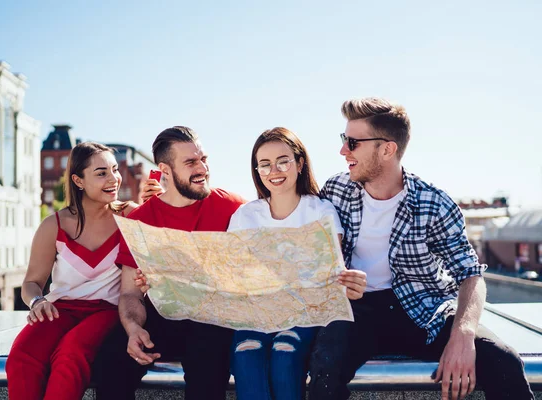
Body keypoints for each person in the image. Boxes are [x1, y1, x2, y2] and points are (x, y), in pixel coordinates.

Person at [308, 97, 534, 400]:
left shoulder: (434, 203)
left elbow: (470, 274)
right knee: (324, 367)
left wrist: (463, 334)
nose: (343, 151)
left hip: (422, 309)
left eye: (352, 142)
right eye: (343, 140)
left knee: (502, 360)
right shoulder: (336, 190)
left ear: (387, 149)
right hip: (356, 309)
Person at [94, 126, 245, 400]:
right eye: (190, 162)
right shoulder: (140, 220)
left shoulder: (233, 207)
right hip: (161, 316)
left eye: (204, 159)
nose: (203, 169)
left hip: (211, 318)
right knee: (110, 364)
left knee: (207, 370)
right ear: (165, 169)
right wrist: (133, 328)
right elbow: (130, 293)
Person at [227, 127, 367, 400]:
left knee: (285, 351)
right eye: (264, 165)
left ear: (300, 163)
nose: (274, 171)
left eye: (283, 161)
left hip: (304, 311)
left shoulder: (319, 210)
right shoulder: (245, 215)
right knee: (246, 351)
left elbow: (326, 267)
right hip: (257, 312)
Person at [5, 142, 137, 400]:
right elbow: (31, 283)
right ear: (78, 180)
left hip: (108, 310)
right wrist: (37, 301)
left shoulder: (131, 216)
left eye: (114, 169)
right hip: (60, 310)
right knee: (21, 356)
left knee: (71, 354)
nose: (113, 179)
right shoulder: (53, 225)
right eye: (101, 173)